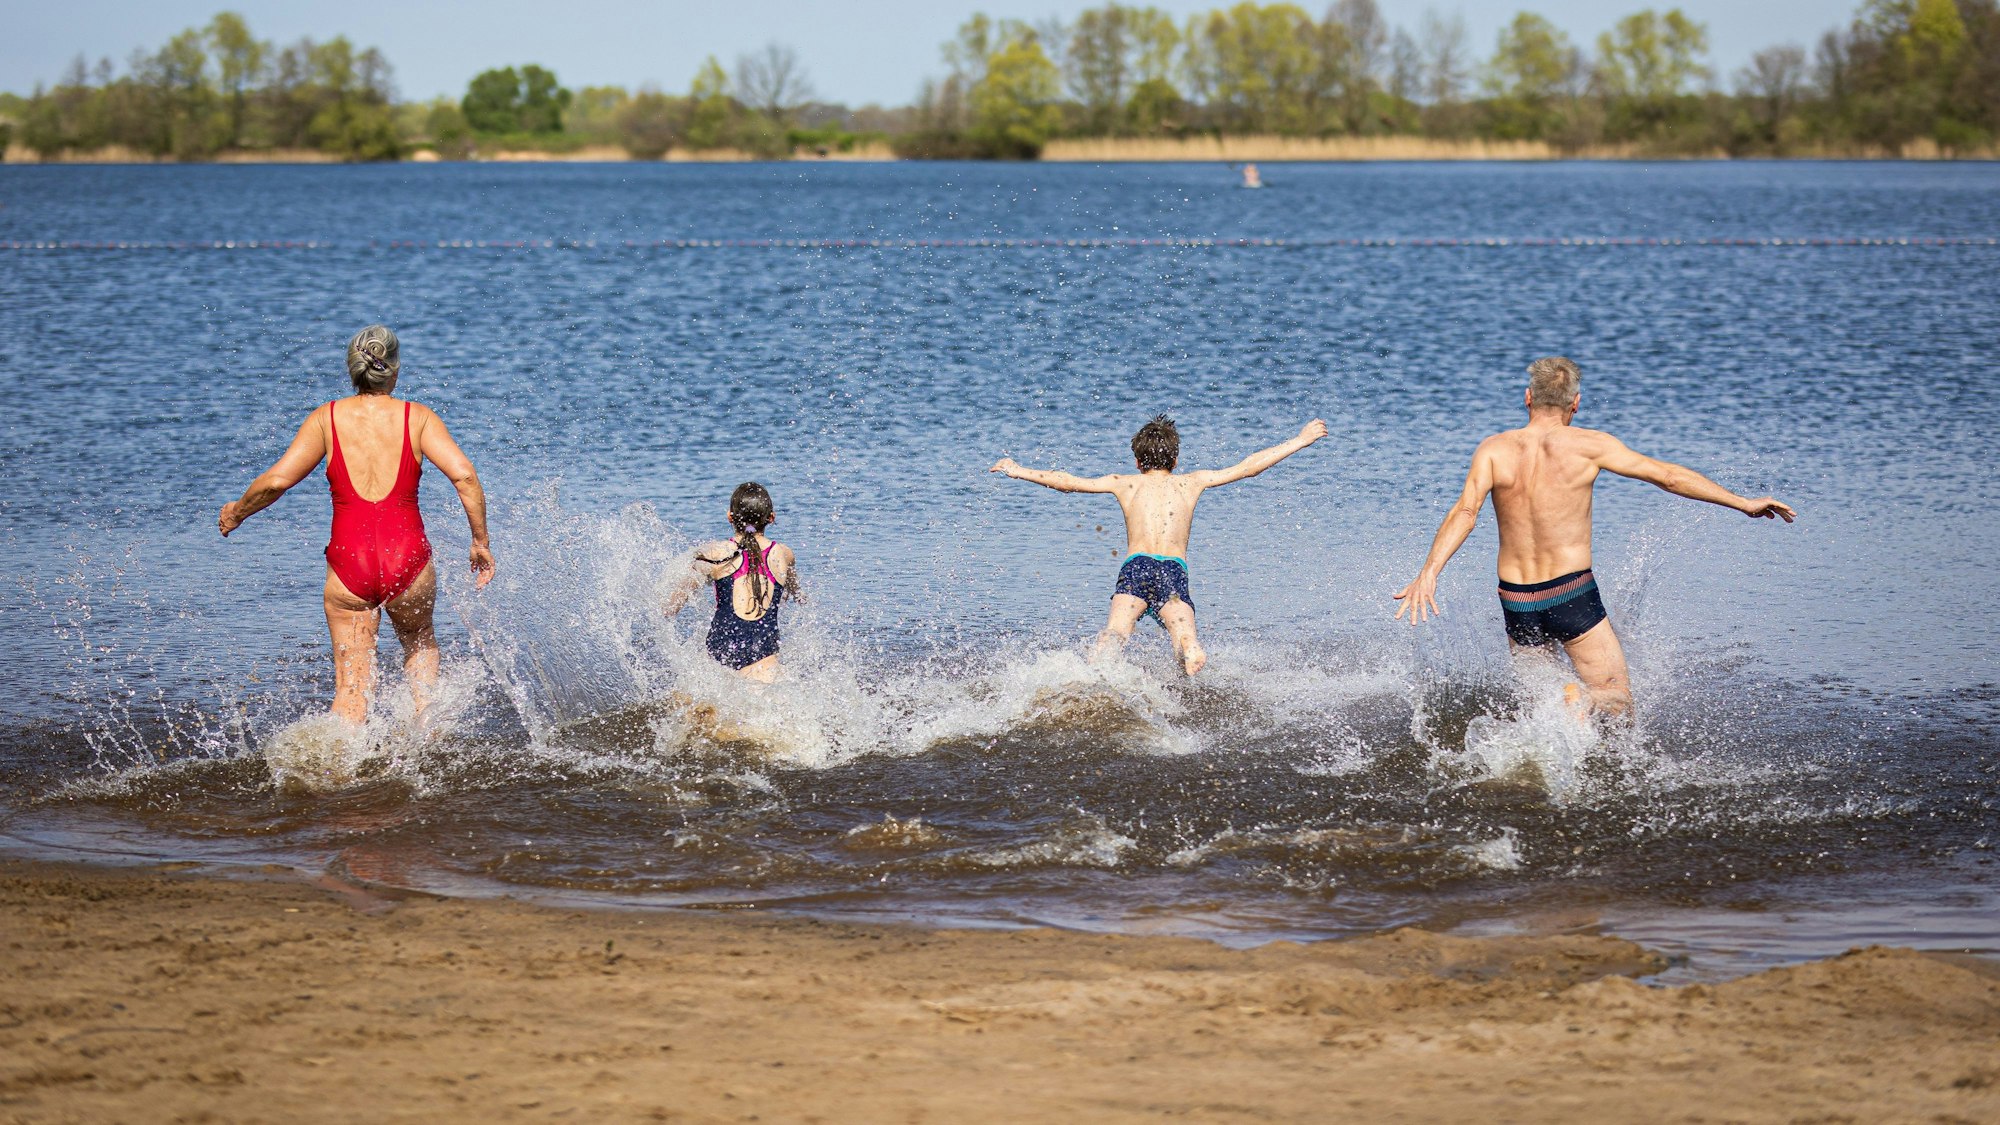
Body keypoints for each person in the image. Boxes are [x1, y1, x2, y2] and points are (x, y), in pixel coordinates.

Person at [1392, 356, 1794, 717]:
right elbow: (1668, 477)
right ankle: (1586, 707)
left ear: (1528, 397)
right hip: (1570, 593)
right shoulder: (1589, 445)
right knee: (1616, 696)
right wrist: (1742, 502)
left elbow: (1466, 511)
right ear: (1575, 403)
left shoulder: (1493, 450)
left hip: (1516, 598)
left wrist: (1429, 572)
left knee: (1542, 707)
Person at [218, 326, 495, 724]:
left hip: (350, 565)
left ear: (352, 370)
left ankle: (338, 777)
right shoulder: (417, 418)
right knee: (418, 644)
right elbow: (465, 476)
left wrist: (237, 512)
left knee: (351, 691)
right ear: (394, 371)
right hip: (409, 561)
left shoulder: (326, 420)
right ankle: (429, 738)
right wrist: (480, 541)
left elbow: (277, 481)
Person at [992, 415, 1327, 675]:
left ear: (1137, 461)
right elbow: (1247, 468)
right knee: (1183, 634)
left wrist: (1017, 469)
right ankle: (1191, 650)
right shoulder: (1192, 482)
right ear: (1176, 460)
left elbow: (1066, 483)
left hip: (1135, 567)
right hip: (1172, 570)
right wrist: (1300, 440)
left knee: (1116, 632)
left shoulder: (1124, 483)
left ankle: (1099, 666)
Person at [664, 482, 798, 684]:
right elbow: (796, 591)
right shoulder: (784, 554)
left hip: (721, 653)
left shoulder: (716, 553)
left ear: (730, 517)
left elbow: (671, 606)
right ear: (771, 518)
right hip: (764, 656)